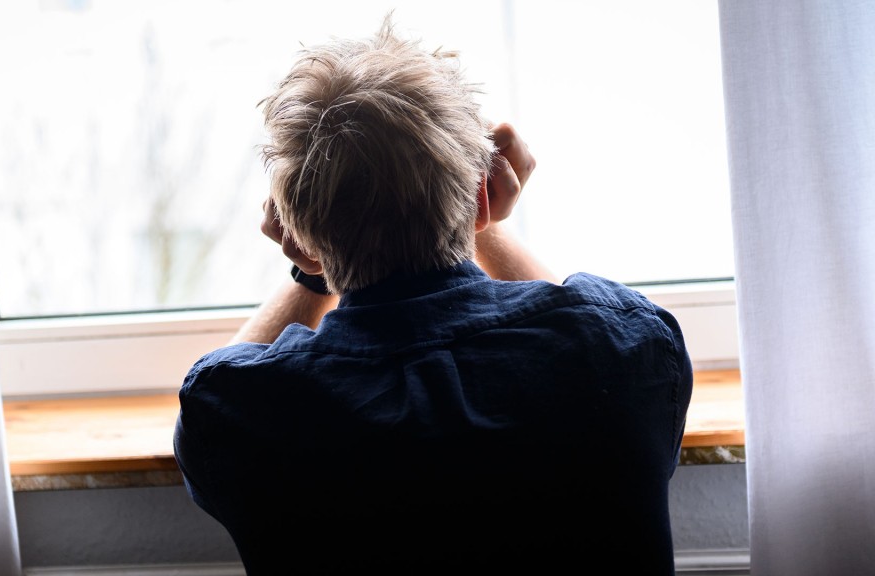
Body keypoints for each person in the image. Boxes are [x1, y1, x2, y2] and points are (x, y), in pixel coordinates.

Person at [174, 16, 693, 575]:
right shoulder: (628, 347)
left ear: (298, 237)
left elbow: (225, 379)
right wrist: (473, 208)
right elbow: (573, 320)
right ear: (484, 197)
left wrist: (317, 260)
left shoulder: (238, 413)